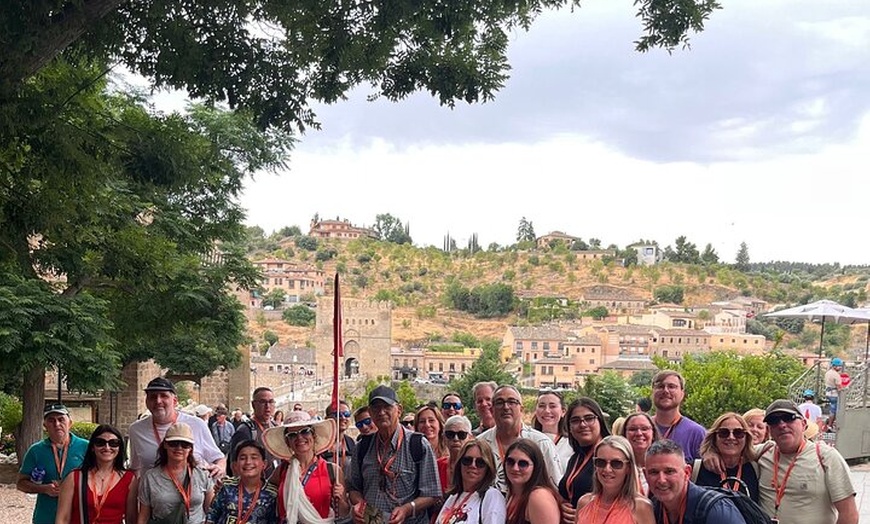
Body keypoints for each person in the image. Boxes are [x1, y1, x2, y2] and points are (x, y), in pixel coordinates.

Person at [347, 385, 442, 524]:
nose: (381, 412)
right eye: (376, 408)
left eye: (387, 407)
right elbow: (353, 488)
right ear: (370, 413)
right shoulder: (362, 447)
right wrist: (359, 505)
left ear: (399, 410)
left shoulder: (418, 445)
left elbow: (432, 494)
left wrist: (407, 509)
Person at [757, 399, 857, 524]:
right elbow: (732, 449)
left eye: (789, 418)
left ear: (804, 424)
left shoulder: (825, 457)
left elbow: (849, 513)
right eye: (774, 421)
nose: (782, 425)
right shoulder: (763, 453)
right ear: (769, 430)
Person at [128, 377, 225, 478]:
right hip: (153, 491)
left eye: (164, 396)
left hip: (190, 491)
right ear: (146, 402)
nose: (158, 401)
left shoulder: (197, 425)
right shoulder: (136, 430)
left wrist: (219, 468)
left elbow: (219, 459)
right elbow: (135, 469)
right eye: (153, 397)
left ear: (174, 401)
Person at [263, 411, 350, 524]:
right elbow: (264, 497)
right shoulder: (281, 470)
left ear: (313, 436)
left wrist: (341, 499)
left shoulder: (332, 471)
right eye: (292, 435)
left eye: (305, 431)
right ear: (287, 442)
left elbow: (344, 513)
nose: (299, 437)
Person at [478, 385, 563, 493]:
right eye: (499, 402)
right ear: (492, 410)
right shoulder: (480, 443)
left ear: (521, 409)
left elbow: (555, 485)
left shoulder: (541, 443)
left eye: (512, 402)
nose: (506, 407)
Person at [17, 404, 89, 524]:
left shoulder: (86, 447)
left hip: (78, 516)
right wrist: (44, 488)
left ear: (70, 423)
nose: (57, 424)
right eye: (51, 420)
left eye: (61, 419)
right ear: (45, 425)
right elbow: (21, 484)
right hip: (46, 517)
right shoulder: (35, 451)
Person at [645, 439, 746, 524]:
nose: (661, 480)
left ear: (687, 472)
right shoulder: (652, 510)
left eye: (669, 471)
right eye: (654, 472)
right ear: (645, 475)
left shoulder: (716, 511)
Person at [55, 424, 138, 524]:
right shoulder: (74, 477)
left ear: (119, 448)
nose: (107, 447)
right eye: (100, 442)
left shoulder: (129, 479)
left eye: (113, 443)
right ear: (92, 447)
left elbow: (131, 519)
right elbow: (62, 519)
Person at [137, 423, 215, 524]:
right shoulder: (150, 477)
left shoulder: (202, 475)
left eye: (185, 444)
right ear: (165, 445)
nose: (179, 448)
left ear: (190, 448)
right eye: (173, 443)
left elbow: (212, 512)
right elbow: (143, 516)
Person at [575, 436, 654, 524]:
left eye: (616, 463)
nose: (607, 469)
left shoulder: (641, 507)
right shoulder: (584, 503)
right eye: (601, 462)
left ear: (628, 468)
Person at [557, 397, 609, 524]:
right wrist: (562, 506)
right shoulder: (576, 458)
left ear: (600, 421)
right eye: (575, 420)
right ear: (569, 427)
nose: (582, 424)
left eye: (589, 418)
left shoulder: (611, 456)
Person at [206, 440, 279, 524]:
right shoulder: (226, 487)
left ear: (264, 464)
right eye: (243, 458)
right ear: (235, 465)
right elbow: (211, 517)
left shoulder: (272, 494)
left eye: (254, 457)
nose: (248, 462)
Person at [692, 412, 759, 502]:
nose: (731, 437)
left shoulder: (754, 469)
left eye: (738, 433)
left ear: (746, 438)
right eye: (723, 433)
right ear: (714, 437)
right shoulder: (696, 469)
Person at [435, 440, 506, 524]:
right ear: (459, 464)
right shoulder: (453, 497)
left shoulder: (492, 496)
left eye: (480, 462)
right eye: (467, 460)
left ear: (488, 467)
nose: (473, 465)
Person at [650, 371, 705, 462]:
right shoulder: (640, 430)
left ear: (682, 394)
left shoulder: (696, 433)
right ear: (652, 392)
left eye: (672, 387)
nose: (665, 391)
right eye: (660, 386)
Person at [504, 438, 561, 524]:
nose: (515, 468)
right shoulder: (512, 494)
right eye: (510, 462)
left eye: (523, 464)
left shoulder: (539, 496)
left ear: (536, 467)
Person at [226, 387, 279, 479]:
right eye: (263, 402)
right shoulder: (245, 430)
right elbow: (235, 465)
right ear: (254, 405)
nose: (267, 406)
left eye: (271, 402)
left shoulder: (275, 428)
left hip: (275, 484)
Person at [619, 412, 659, 495]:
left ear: (653, 433)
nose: (639, 433)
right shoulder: (618, 467)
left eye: (644, 429)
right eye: (632, 429)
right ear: (624, 434)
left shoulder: (663, 466)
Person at [531, 390, 571, 470]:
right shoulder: (529, 440)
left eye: (552, 406)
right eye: (542, 406)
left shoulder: (571, 444)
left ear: (563, 412)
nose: (547, 411)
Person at [442, 416, 474, 494]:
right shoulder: (437, 465)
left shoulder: (476, 466)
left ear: (470, 438)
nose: (455, 439)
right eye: (450, 434)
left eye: (461, 434)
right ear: (444, 438)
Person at [322, 399, 357, 471]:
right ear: (327, 419)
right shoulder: (319, 445)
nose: (343, 418)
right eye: (337, 415)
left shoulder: (353, 444)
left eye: (346, 414)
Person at [825, 358, 845, 427]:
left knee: (832, 409)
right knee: (835, 410)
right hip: (834, 394)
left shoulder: (828, 373)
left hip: (828, 393)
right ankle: (830, 425)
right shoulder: (836, 375)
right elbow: (839, 387)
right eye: (839, 366)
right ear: (835, 366)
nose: (840, 367)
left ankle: (829, 423)